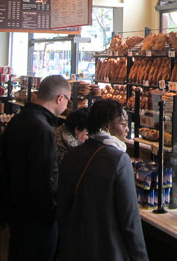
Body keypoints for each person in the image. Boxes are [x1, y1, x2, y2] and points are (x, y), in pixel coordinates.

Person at [57, 99, 148, 261]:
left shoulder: (72, 154)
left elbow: (62, 202)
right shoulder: (119, 160)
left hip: (73, 246)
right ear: (106, 126)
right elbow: (130, 219)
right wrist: (140, 257)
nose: (127, 129)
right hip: (107, 249)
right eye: (123, 123)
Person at [3, 75, 71, 261]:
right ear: (60, 98)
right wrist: (51, 214)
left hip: (15, 209)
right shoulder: (42, 129)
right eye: (68, 100)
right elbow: (44, 178)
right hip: (36, 218)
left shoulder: (19, 119)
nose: (67, 105)